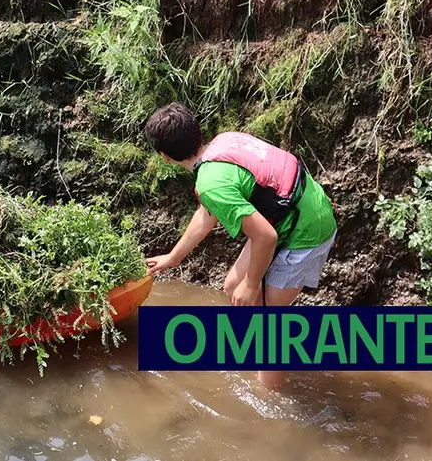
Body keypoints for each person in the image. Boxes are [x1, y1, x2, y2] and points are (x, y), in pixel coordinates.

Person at [141, 102, 338, 390]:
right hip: (290, 213)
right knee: (234, 288)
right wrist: (173, 257)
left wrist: (252, 281)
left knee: (268, 322)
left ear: (164, 156)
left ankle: (270, 398)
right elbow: (206, 214)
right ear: (197, 130)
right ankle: (257, 359)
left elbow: (265, 237)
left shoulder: (211, 183)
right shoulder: (223, 141)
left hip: (307, 231)